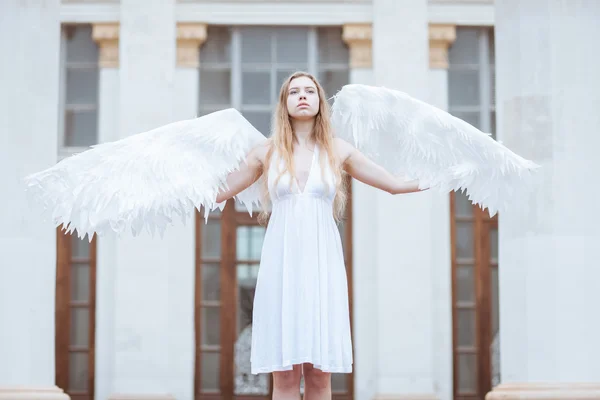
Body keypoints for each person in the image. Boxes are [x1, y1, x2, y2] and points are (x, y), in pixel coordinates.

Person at [214, 71, 426, 400]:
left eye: (310, 91)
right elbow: (217, 193)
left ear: (319, 101)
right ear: (284, 103)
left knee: (319, 375)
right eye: (294, 91)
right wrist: (171, 181)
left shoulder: (338, 150)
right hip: (281, 265)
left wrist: (446, 176)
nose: (302, 96)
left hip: (322, 264)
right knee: (283, 376)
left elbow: (395, 185)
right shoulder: (265, 152)